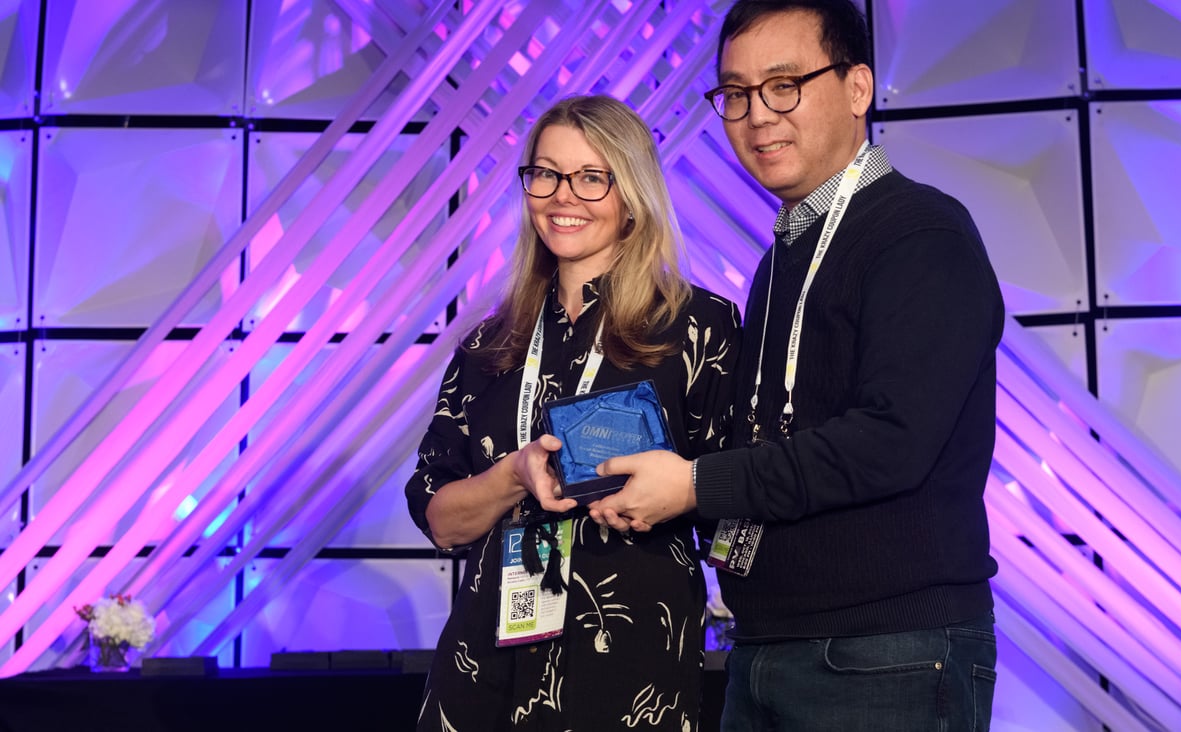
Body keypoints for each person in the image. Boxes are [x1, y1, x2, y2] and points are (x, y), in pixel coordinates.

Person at [586, 1, 1004, 729]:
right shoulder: (781, 256)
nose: (756, 115)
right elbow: (776, 436)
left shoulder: (921, 232)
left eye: (784, 85)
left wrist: (690, 484)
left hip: (886, 650)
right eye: (736, 94)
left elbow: (890, 443)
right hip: (770, 643)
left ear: (857, 87)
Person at [404, 94, 741, 731]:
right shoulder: (489, 346)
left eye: (591, 177)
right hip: (486, 667)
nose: (562, 195)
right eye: (545, 173)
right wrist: (512, 476)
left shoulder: (698, 328)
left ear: (632, 192)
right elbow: (439, 518)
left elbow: (737, 499)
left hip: (633, 666)